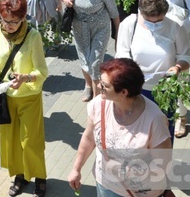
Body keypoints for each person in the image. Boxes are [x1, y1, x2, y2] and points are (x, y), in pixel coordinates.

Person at [68, 58, 172, 197]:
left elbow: (162, 164)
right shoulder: (98, 104)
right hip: (105, 185)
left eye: (105, 85)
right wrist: (76, 169)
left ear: (123, 92)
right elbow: (89, 137)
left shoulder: (154, 119)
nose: (99, 87)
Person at [0, 0, 48, 197]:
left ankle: (39, 176)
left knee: (31, 140)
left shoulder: (33, 37)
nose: (8, 25)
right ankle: (20, 176)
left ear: (23, 19)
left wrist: (27, 78)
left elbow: (42, 71)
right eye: (4, 20)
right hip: (6, 97)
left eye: (13, 22)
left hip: (29, 96)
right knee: (11, 140)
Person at [115, 0, 190, 137]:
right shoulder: (129, 24)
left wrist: (177, 67)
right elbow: (121, 54)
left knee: (163, 132)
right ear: (141, 13)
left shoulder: (175, 26)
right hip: (136, 90)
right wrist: (130, 71)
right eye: (150, 22)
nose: (155, 25)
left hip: (164, 91)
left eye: (159, 21)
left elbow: (186, 57)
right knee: (137, 132)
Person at [62, 0, 119, 102]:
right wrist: (66, 0)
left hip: (100, 26)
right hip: (79, 25)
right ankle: (88, 86)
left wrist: (118, 33)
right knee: (84, 58)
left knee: (95, 61)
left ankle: (97, 98)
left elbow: (113, 10)